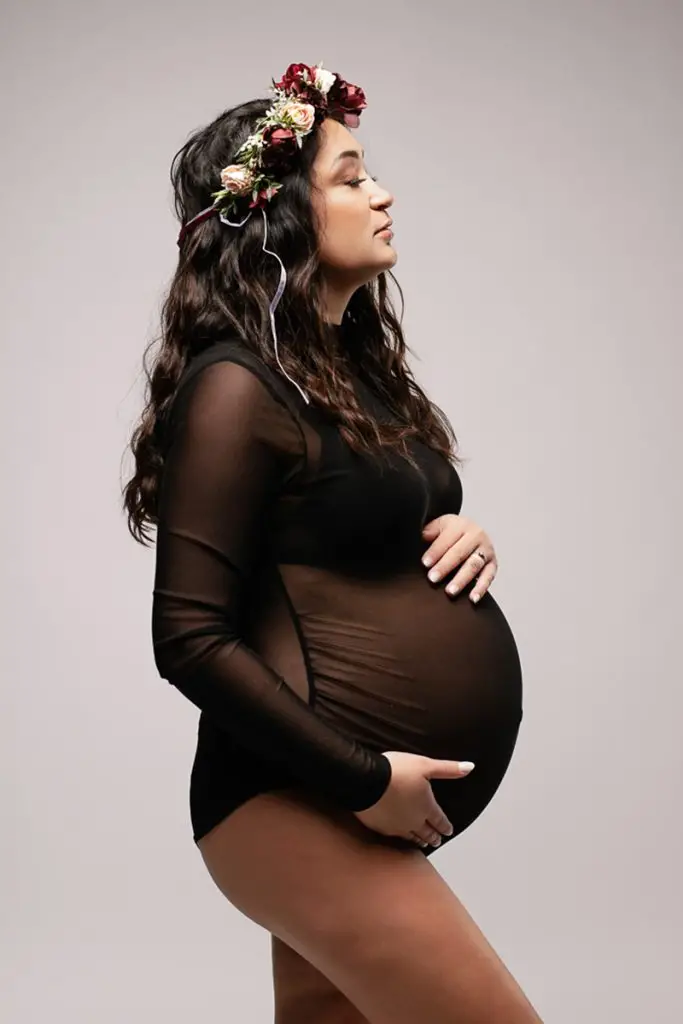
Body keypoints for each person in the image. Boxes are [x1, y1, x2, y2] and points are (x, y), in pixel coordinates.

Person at [122, 61, 542, 1024]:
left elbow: (351, 540)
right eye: (349, 177)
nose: (380, 192)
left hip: (347, 806)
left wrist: (461, 536)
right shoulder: (236, 387)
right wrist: (364, 777)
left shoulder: (355, 376)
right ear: (278, 215)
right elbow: (187, 637)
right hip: (296, 800)